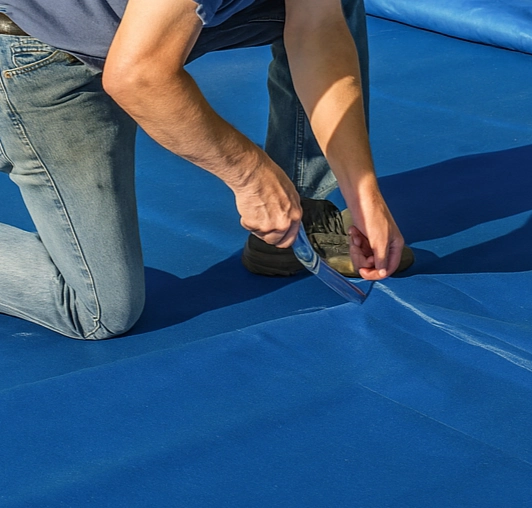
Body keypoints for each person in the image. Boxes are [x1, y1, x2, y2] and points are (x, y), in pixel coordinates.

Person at [0, 0, 411, 340]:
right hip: (39, 50)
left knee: (334, 6)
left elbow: (317, 28)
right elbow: (136, 76)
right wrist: (252, 178)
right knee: (99, 310)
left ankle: (298, 216)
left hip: (130, 28)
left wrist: (363, 193)